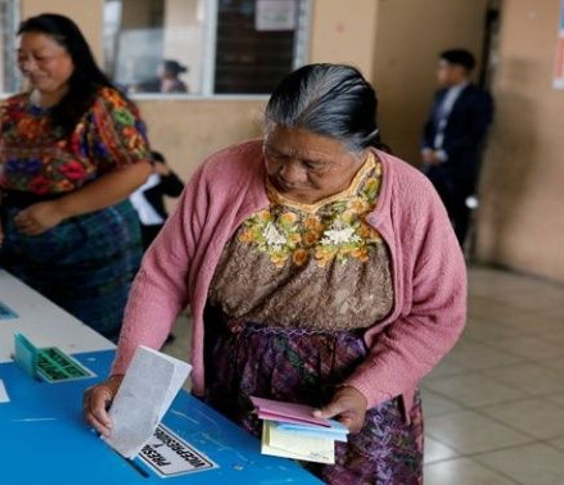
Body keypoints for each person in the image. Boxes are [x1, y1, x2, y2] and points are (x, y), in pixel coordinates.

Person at [84, 64, 467, 483]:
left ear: (362, 148)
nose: (289, 173)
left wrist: (366, 389)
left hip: (354, 398)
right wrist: (126, 374)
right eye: (276, 152)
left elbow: (437, 314)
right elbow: (163, 278)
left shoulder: (410, 197)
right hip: (237, 386)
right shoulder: (221, 174)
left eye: (313, 163)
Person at [0, 14, 152, 342]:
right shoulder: (13, 110)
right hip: (22, 249)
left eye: (40, 56)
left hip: (90, 251)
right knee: (21, 337)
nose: (29, 65)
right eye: (21, 56)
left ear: (73, 55)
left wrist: (60, 209)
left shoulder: (101, 104)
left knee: (85, 344)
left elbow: (136, 169)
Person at [421, 48, 493, 247]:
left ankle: (455, 256)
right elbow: (429, 126)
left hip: (459, 166)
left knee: (459, 211)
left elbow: (475, 134)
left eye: (443, 68)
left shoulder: (479, 98)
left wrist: (444, 154)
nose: (439, 72)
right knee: (430, 210)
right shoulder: (440, 95)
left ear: (458, 70)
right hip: (433, 165)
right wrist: (426, 149)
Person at [128, 151, 184, 249]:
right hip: (132, 228)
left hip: (158, 226)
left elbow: (177, 190)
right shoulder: (119, 163)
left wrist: (166, 172)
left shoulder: (154, 160)